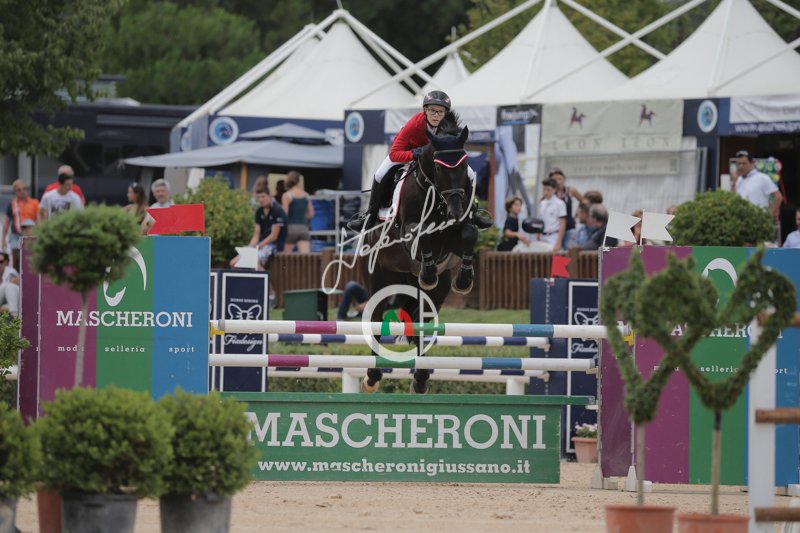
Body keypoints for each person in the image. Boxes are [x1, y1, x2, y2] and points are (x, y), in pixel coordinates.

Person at [347, 90, 493, 232]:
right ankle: (369, 216)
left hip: (435, 159)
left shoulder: (448, 126)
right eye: (432, 110)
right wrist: (413, 154)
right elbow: (394, 154)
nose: (436, 115)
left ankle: (473, 213)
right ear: (425, 110)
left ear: (446, 113)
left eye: (441, 112)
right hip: (407, 153)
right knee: (379, 174)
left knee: (471, 174)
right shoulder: (415, 124)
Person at [230, 187, 287, 271]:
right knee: (233, 263)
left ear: (270, 196)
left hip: (273, 245)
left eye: (263, 196)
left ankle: (266, 279)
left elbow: (274, 236)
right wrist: (250, 246)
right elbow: (256, 234)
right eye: (258, 197)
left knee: (254, 262)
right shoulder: (259, 211)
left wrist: (258, 246)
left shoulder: (278, 210)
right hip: (260, 245)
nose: (261, 200)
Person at [731, 150, 782, 220]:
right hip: (741, 221)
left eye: (744, 163)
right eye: (739, 164)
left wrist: (769, 215)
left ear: (751, 163)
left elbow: (778, 197)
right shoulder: (738, 180)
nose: (741, 166)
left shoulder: (762, 177)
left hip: (758, 221)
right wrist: (733, 183)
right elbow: (733, 199)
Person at [2, 179, 39, 269]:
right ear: (15, 192)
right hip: (16, 235)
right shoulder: (12, 204)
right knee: (15, 256)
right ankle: (15, 273)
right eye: (19, 190)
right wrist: (3, 239)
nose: (22, 191)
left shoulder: (35, 203)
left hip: (30, 234)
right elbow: (6, 222)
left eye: (24, 189)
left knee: (30, 257)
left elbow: (39, 220)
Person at [281, 170, 314, 253]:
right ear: (298, 181)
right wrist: (302, 217)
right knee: (305, 256)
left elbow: (284, 214)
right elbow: (311, 214)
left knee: (286, 257)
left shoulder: (287, 195)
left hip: (291, 228)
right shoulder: (306, 195)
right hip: (303, 228)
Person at [549, 168, 577, 249]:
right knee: (556, 252)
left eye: (560, 179)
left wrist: (576, 215)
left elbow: (584, 201)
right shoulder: (550, 194)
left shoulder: (570, 190)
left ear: (564, 178)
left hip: (569, 228)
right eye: (555, 180)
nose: (558, 182)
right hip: (555, 231)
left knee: (570, 250)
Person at [538, 178, 566, 251]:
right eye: (544, 190)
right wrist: (538, 236)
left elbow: (562, 224)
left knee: (555, 256)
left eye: (548, 190)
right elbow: (540, 221)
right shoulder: (542, 203)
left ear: (555, 189)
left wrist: (558, 242)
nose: (546, 192)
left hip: (553, 236)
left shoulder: (560, 204)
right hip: (543, 236)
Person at [0, 252, 20, 316]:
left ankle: (15, 317)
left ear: (6, 262)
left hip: (9, 302)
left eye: (1, 261)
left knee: (10, 287)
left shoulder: (11, 272)